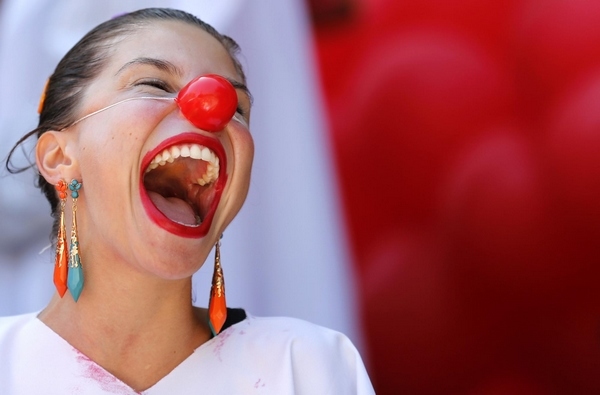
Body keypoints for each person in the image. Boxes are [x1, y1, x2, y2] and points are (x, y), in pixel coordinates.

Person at [0, 8, 374, 394]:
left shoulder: (310, 366)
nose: (211, 108)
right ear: (58, 157)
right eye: (155, 83)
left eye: (237, 106)